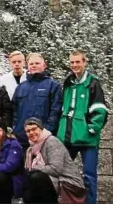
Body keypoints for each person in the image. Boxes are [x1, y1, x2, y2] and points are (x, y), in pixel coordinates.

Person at [57, 50, 108, 204]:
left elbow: (100, 109)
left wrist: (91, 128)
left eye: (78, 62)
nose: (74, 65)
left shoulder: (93, 82)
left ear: (85, 62)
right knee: (61, 172)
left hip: (87, 138)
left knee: (89, 176)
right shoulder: (68, 83)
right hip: (67, 136)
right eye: (72, 62)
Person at [23, 117, 85, 204]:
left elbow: (56, 169)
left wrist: (35, 167)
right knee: (27, 193)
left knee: (36, 177)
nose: (31, 133)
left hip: (68, 183)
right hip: (52, 180)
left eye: (34, 129)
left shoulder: (51, 142)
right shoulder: (32, 148)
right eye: (28, 131)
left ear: (41, 129)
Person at [12, 53, 62, 149]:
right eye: (31, 64)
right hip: (22, 136)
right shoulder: (21, 87)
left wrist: (47, 131)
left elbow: (56, 110)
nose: (34, 66)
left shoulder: (53, 85)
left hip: (43, 137)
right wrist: (15, 128)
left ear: (44, 65)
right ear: (27, 66)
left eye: (37, 63)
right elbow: (14, 109)